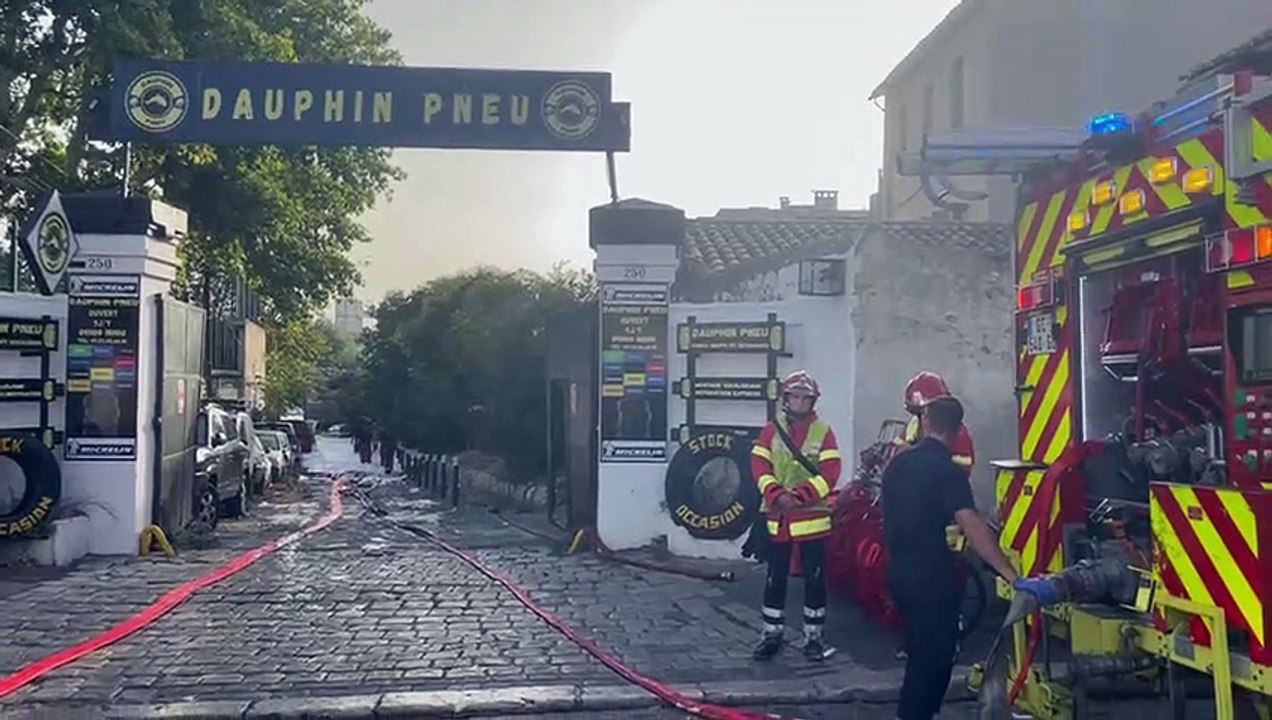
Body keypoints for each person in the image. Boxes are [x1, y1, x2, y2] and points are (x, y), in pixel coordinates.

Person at [882, 396, 1038, 720]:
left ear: (925, 423)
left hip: (898, 572)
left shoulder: (897, 464)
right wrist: (1011, 576)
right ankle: (915, 715)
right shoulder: (947, 472)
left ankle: (918, 713)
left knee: (919, 652)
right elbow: (974, 528)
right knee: (935, 656)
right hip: (931, 577)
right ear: (958, 430)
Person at [749, 370, 843, 662]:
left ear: (812, 401)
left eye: (805, 397)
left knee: (815, 581)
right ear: (786, 398)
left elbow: (831, 473)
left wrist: (800, 496)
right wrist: (776, 494)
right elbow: (758, 464)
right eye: (795, 396)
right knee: (774, 578)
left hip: (812, 519)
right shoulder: (770, 430)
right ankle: (771, 634)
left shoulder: (824, 431)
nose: (800, 402)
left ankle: (814, 637)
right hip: (779, 518)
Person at [894, 371, 975, 474]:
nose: (923, 418)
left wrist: (928, 458)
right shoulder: (914, 424)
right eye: (918, 412)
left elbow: (965, 465)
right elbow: (897, 449)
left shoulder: (957, 432)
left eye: (925, 412)